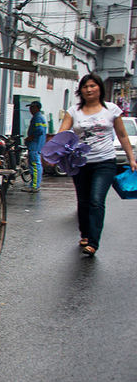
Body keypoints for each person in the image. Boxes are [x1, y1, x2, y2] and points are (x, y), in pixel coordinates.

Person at [58, 73, 137, 256]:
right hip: (80, 163)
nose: (89, 89)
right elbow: (63, 132)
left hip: (105, 162)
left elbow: (122, 135)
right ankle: (85, 234)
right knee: (83, 201)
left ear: (99, 88)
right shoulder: (74, 111)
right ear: (81, 90)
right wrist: (58, 148)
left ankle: (93, 242)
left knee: (96, 200)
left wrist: (131, 158)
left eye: (92, 86)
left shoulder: (111, 109)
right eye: (85, 87)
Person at [22, 101, 47, 192]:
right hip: (37, 145)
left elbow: (39, 130)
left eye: (32, 107)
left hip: (35, 145)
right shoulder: (39, 117)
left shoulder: (37, 118)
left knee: (35, 165)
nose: (30, 109)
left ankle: (34, 185)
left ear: (37, 108)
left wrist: (30, 137)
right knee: (35, 164)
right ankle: (34, 184)